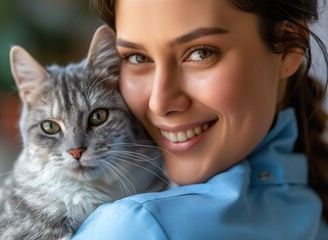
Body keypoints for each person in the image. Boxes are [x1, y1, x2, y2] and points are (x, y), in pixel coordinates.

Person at [73, 0, 328, 239]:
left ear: (289, 44)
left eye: (200, 53)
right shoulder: (311, 207)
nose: (159, 103)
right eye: (137, 58)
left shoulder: (135, 227)